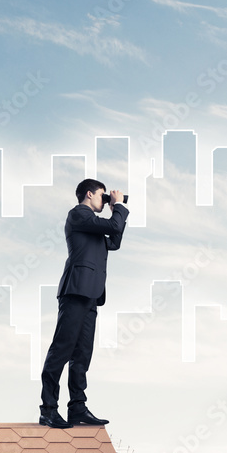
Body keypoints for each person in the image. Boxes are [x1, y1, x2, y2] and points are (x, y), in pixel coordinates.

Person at [39, 178, 128, 428]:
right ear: (89, 194)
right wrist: (119, 207)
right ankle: (48, 409)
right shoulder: (79, 214)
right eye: (103, 195)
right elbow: (112, 225)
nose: (106, 200)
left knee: (82, 354)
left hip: (91, 294)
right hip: (76, 291)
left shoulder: (94, 226)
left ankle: (77, 407)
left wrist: (117, 211)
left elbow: (115, 241)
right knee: (62, 350)